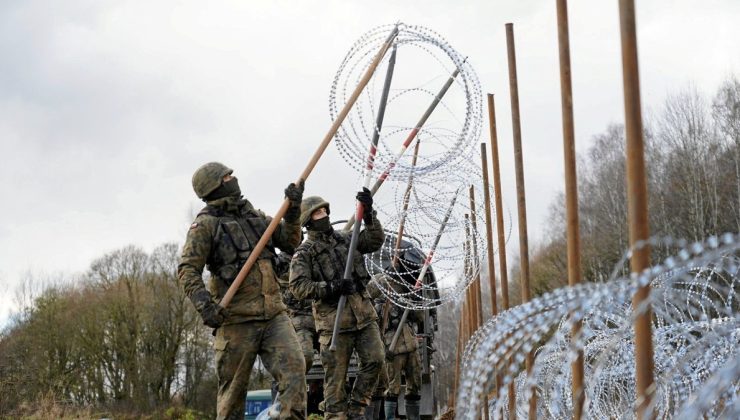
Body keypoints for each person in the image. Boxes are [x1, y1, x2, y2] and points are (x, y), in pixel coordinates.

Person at [178, 162, 307, 420]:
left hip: (274, 315)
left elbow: (290, 241)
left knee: (295, 372)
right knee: (232, 397)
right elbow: (187, 270)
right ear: (214, 186)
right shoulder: (205, 225)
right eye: (227, 177)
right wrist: (205, 306)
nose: (233, 179)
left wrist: (293, 211)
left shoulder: (254, 215)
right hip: (236, 320)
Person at [289, 191, 386, 419]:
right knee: (335, 383)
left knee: (376, 359)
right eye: (317, 213)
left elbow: (374, 240)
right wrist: (332, 287)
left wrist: (369, 215)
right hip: (334, 325)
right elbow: (299, 287)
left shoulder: (345, 240)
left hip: (363, 316)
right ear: (307, 221)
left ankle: (356, 408)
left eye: (324, 211)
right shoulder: (304, 253)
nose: (323, 215)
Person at [367, 272, 423, 420]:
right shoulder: (378, 287)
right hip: (392, 347)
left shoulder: (405, 286)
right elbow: (374, 325)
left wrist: (414, 303)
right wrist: (383, 348)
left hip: (411, 345)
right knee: (392, 389)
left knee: (415, 385)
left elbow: (419, 318)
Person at [275, 250, 318, 373]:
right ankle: (295, 383)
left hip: (321, 317)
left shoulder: (308, 254)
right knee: (305, 356)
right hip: (299, 322)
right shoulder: (280, 262)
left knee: (334, 359)